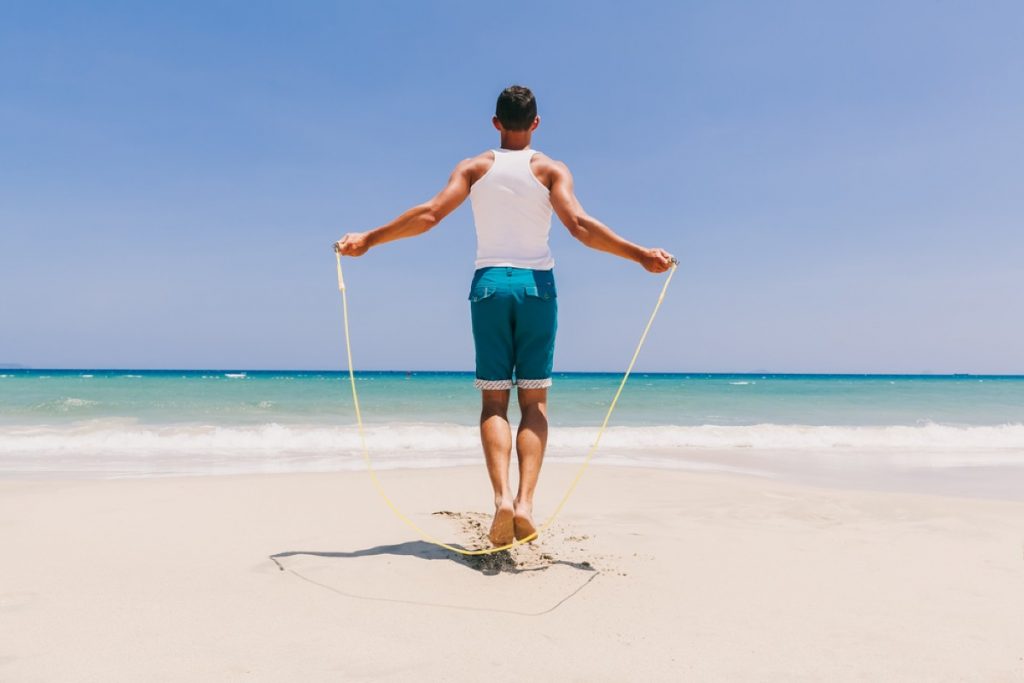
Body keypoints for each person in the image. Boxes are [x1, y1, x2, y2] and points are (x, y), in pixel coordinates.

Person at [334, 85, 674, 547]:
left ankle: (501, 502)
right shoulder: (551, 169)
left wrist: (369, 239)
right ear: (536, 123)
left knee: (494, 403)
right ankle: (527, 504)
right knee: (533, 403)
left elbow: (431, 215)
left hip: (490, 286)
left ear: (495, 123)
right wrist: (639, 255)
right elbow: (579, 226)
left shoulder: (474, 167)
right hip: (537, 289)